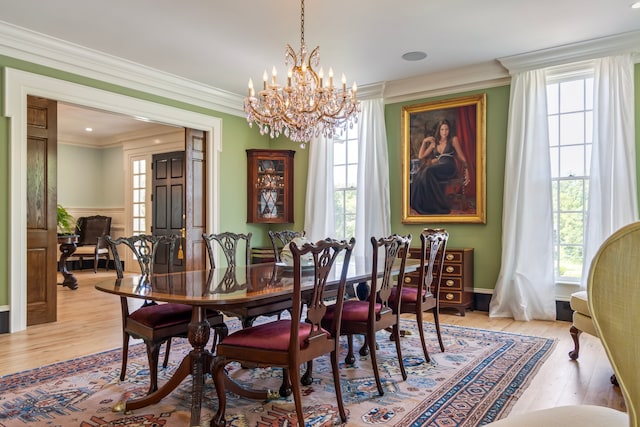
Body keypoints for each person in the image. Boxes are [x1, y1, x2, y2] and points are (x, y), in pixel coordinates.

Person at [410, 119, 469, 215]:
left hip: (450, 167)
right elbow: (421, 156)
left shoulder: (453, 140)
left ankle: (437, 205)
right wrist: (425, 141)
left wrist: (467, 170)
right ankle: (423, 204)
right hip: (439, 167)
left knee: (428, 171)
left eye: (446, 129)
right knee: (421, 173)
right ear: (439, 130)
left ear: (449, 130)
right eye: (442, 129)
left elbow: (461, 156)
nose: (444, 132)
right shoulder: (435, 143)